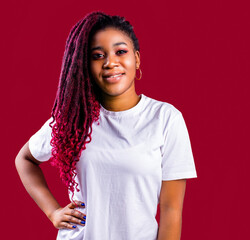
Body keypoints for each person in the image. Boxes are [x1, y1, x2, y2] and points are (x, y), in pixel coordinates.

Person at [15, 11, 197, 240]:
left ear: (137, 59)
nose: (111, 62)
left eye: (121, 52)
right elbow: (24, 159)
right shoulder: (73, 117)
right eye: (98, 55)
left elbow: (172, 211)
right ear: (85, 66)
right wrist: (53, 212)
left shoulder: (165, 119)